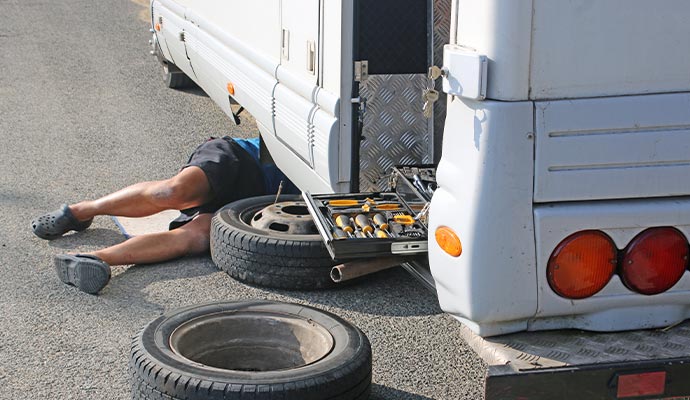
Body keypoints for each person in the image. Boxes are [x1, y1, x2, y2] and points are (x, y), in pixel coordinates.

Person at [30, 136, 296, 295]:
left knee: (200, 237)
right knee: (173, 192)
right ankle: (81, 211)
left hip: (260, 203)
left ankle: (93, 260)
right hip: (244, 158)